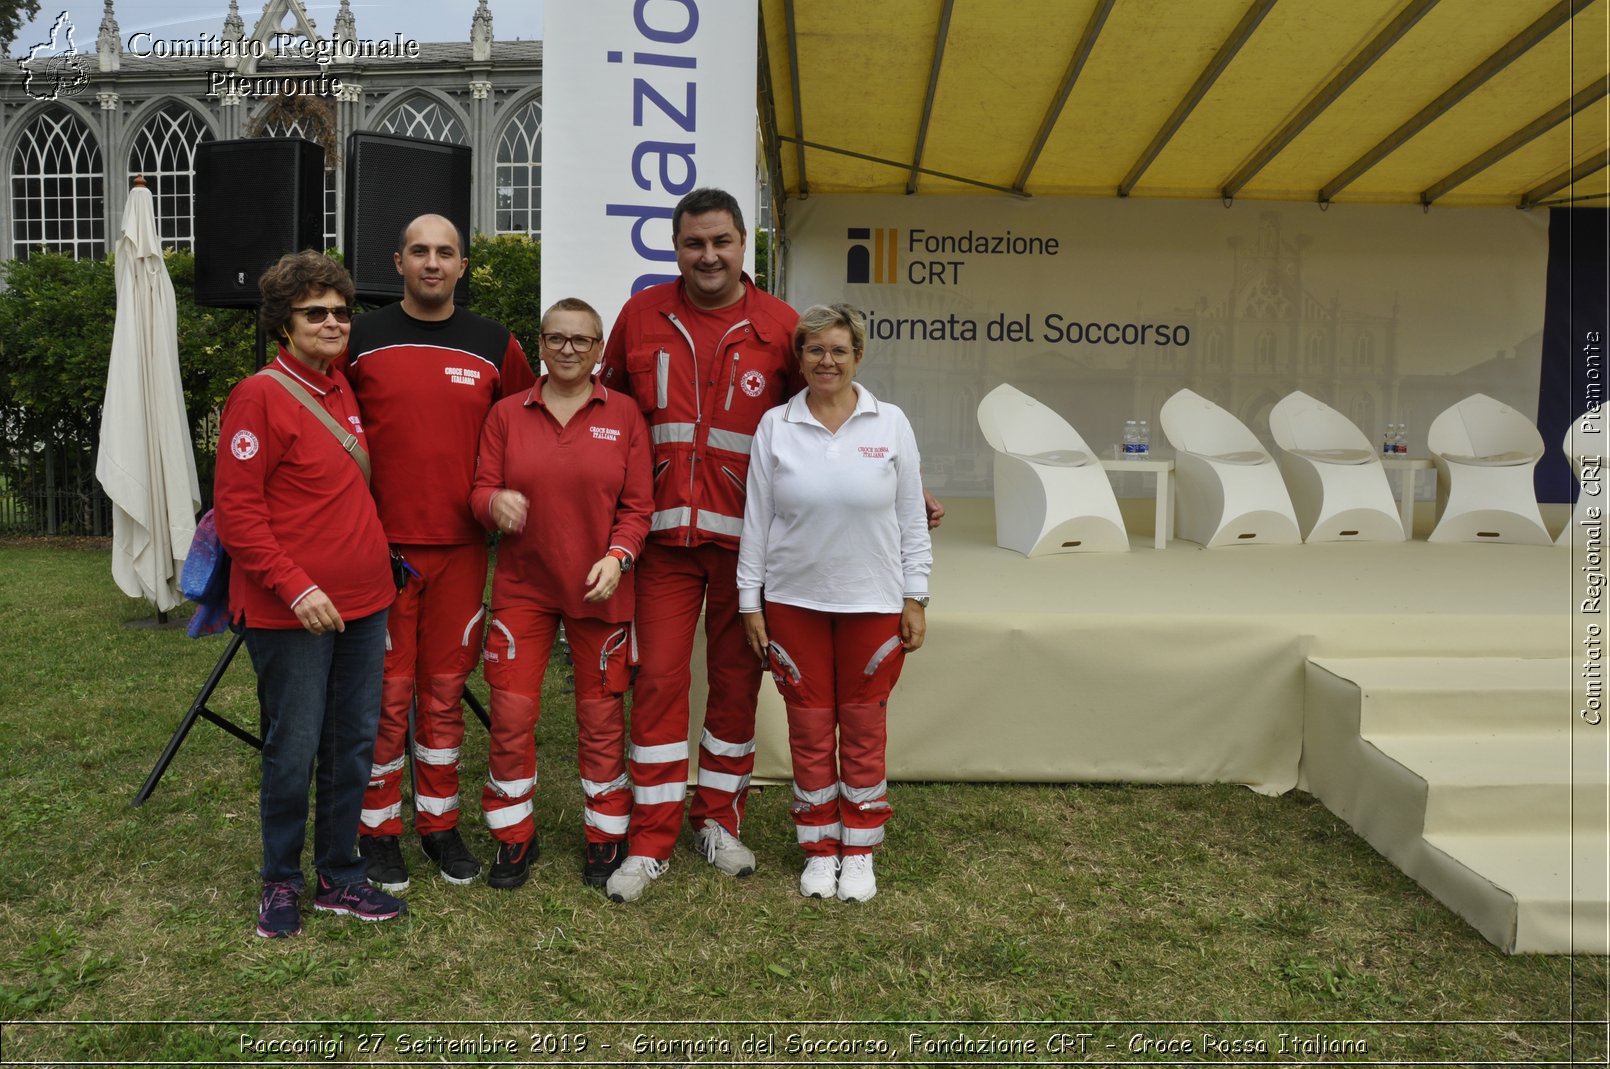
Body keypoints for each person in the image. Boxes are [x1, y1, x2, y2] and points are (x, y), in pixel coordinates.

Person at [597, 187, 943, 904]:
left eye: (722, 241)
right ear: (675, 246)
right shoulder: (640, 316)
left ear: (742, 243)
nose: (709, 255)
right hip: (663, 543)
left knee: (735, 691)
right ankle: (651, 838)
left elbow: (829, 410)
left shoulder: (780, 324)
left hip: (747, 553)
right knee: (659, 683)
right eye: (694, 242)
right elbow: (610, 415)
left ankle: (718, 820)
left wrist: (899, 481)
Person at [214, 251, 406, 938]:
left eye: (340, 311)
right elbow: (238, 517)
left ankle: (338, 872)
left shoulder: (342, 388)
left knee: (352, 743)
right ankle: (279, 880)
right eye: (314, 312)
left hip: (364, 603)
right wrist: (297, 587)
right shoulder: (258, 396)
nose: (332, 322)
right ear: (283, 323)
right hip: (291, 611)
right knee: (292, 748)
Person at [343, 214, 537, 890]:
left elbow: (526, 430)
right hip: (382, 549)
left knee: (445, 691)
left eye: (445, 253)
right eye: (419, 251)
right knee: (387, 696)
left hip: (462, 550)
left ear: (463, 267)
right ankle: (377, 831)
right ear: (397, 261)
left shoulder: (494, 344)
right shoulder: (360, 338)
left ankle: (439, 823)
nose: (432, 262)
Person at [737, 303, 931, 902]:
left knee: (865, 727)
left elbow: (911, 519)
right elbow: (757, 521)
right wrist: (751, 603)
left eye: (839, 350)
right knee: (811, 728)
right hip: (794, 601)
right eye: (815, 349)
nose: (827, 360)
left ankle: (861, 848)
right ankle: (820, 848)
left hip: (872, 600)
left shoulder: (891, 423)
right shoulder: (776, 425)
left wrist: (916, 595)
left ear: (858, 357)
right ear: (800, 359)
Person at [468, 298, 652, 889]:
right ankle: (513, 836)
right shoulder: (505, 414)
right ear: (541, 345)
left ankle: (605, 835)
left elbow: (639, 508)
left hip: (601, 589)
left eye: (582, 340)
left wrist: (619, 557)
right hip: (524, 589)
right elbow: (480, 490)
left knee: (600, 717)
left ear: (600, 350)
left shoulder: (624, 414)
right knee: (511, 714)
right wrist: (493, 504)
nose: (569, 349)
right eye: (556, 338)